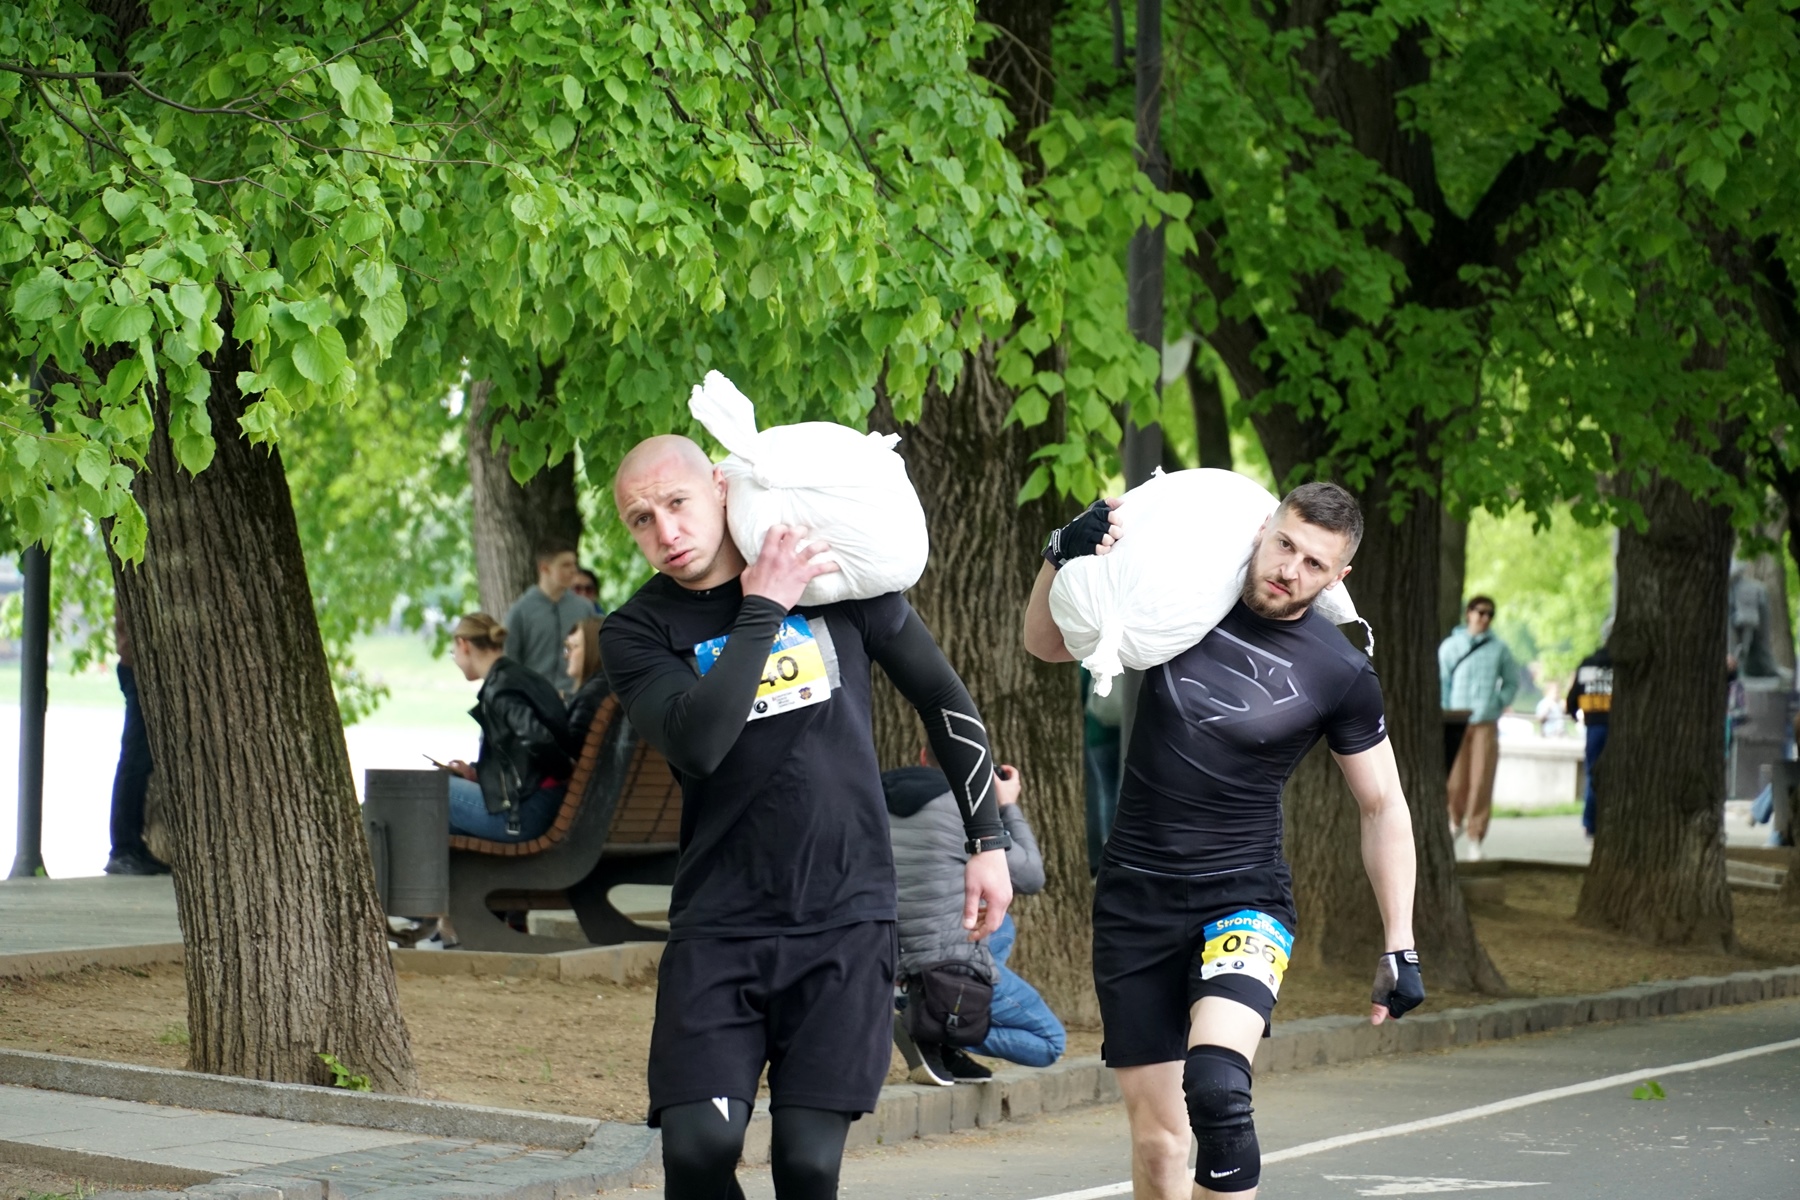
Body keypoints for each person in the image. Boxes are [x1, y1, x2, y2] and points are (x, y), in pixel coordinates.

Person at [599, 435, 1012, 1200]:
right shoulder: (638, 630)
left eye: (677, 504)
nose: (666, 533)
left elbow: (945, 700)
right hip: (720, 929)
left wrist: (988, 839)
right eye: (641, 520)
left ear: (721, 489)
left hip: (844, 925)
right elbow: (700, 741)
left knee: (807, 1165)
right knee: (697, 1150)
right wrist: (763, 606)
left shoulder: (838, 583)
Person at [1024, 482, 1422, 1200]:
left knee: (1216, 1092)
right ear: (1264, 530)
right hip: (1133, 900)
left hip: (1244, 896)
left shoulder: (1340, 671)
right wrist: (1062, 554)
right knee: (1158, 1144)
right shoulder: (1183, 602)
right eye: (1285, 546)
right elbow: (1045, 643)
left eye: (1313, 564)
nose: (1290, 570)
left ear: (1339, 578)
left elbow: (1382, 804)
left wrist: (1400, 939)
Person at [884, 760, 1064, 1086]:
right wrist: (1006, 804)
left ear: (924, 756)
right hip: (943, 966)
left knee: (1002, 925)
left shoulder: (870, 796)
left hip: (889, 959)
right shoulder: (966, 810)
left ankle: (927, 1007)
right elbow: (1031, 877)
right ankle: (934, 1023)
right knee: (1051, 1043)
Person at [443, 613, 575, 843]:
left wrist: (565, 771)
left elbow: (538, 740)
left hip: (525, 813)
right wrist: (475, 772)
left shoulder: (500, 689)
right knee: (440, 823)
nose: (455, 660)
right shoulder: (524, 677)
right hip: (547, 801)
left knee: (430, 790)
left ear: (464, 645)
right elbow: (522, 757)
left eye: (453, 652)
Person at [1438, 596, 1519, 862]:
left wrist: (1497, 703)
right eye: (1481, 612)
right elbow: (1442, 681)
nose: (1485, 618)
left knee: (1481, 781)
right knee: (1455, 779)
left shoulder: (1500, 649)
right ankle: (1453, 822)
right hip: (1457, 721)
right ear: (1468, 613)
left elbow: (1511, 681)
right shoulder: (1451, 646)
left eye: (1490, 614)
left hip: (1485, 721)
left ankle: (1475, 836)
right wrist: (1446, 709)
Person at [104, 608, 169, 876]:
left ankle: (131, 846)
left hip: (142, 666)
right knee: (135, 758)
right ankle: (123, 848)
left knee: (140, 758)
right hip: (139, 668)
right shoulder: (133, 568)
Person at [503, 538, 591, 695]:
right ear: (544, 568)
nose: (573, 570)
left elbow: (596, 656)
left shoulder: (584, 609)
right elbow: (510, 662)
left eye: (574, 564)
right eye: (566, 565)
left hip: (577, 700)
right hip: (535, 700)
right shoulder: (521, 611)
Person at [1566, 630, 1613, 839]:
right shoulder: (1624, 666)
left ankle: (1590, 824)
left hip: (1593, 725)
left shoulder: (1588, 664)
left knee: (1594, 774)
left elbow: (1572, 697)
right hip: (1620, 727)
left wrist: (1575, 715)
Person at [1084, 668, 1124, 875]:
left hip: (1098, 731)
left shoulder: (1091, 647)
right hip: (1129, 727)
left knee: (1107, 794)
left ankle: (1111, 850)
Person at [563, 615, 610, 744]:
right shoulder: (611, 687)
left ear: (592, 650)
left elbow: (571, 747)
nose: (566, 656)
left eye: (572, 647)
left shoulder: (590, 696)